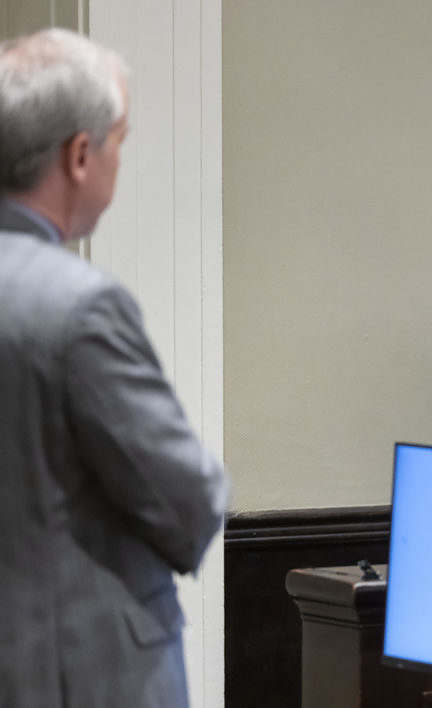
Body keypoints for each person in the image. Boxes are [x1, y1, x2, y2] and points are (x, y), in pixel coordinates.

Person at [0, 29, 227, 706]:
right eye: (119, 140)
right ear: (78, 154)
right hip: (78, 671)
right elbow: (185, 498)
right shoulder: (78, 305)